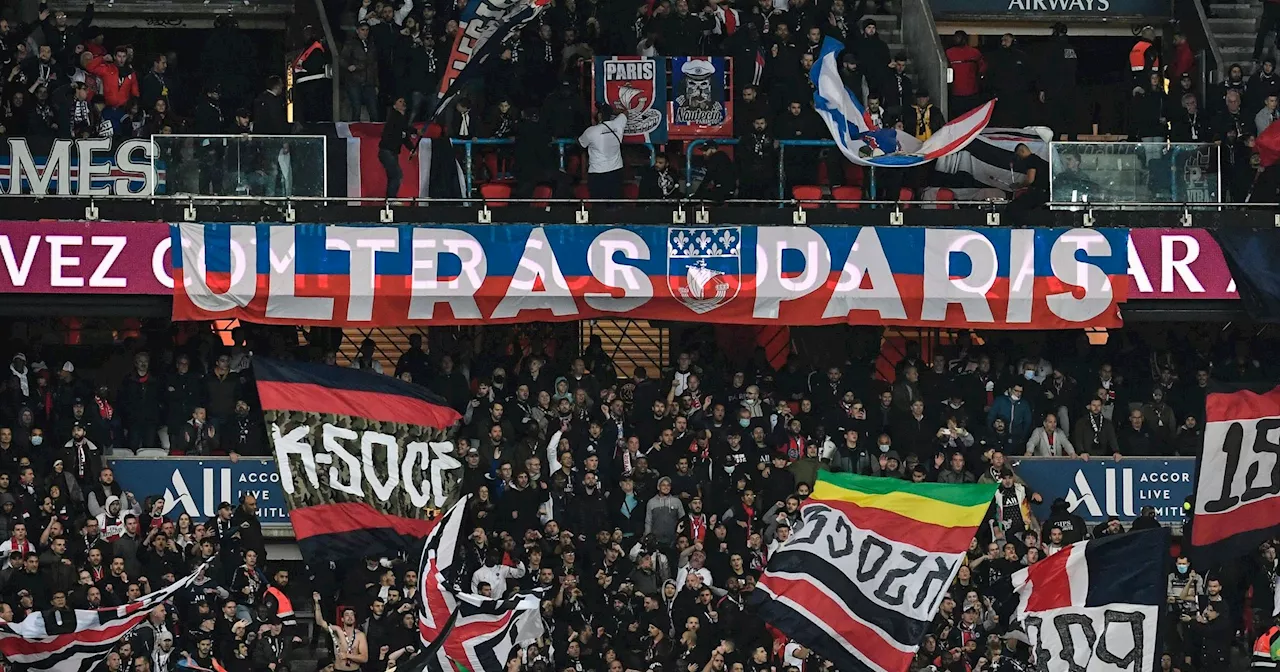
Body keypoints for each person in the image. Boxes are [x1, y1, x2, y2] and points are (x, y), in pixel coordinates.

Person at [578, 103, 628, 201]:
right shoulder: (618, 124)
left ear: (600, 115)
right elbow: (626, 112)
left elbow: (581, 144)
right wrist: (611, 111)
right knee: (614, 206)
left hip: (597, 174)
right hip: (616, 172)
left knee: (598, 207)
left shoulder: (591, 131)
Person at [379, 96, 416, 200]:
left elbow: (404, 137)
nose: (403, 103)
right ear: (394, 105)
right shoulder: (395, 117)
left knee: (393, 176)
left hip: (392, 152)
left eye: (404, 101)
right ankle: (391, 199)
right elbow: (405, 128)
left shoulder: (401, 119)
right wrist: (416, 131)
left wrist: (412, 148)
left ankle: (390, 199)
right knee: (397, 175)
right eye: (400, 101)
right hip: (387, 151)